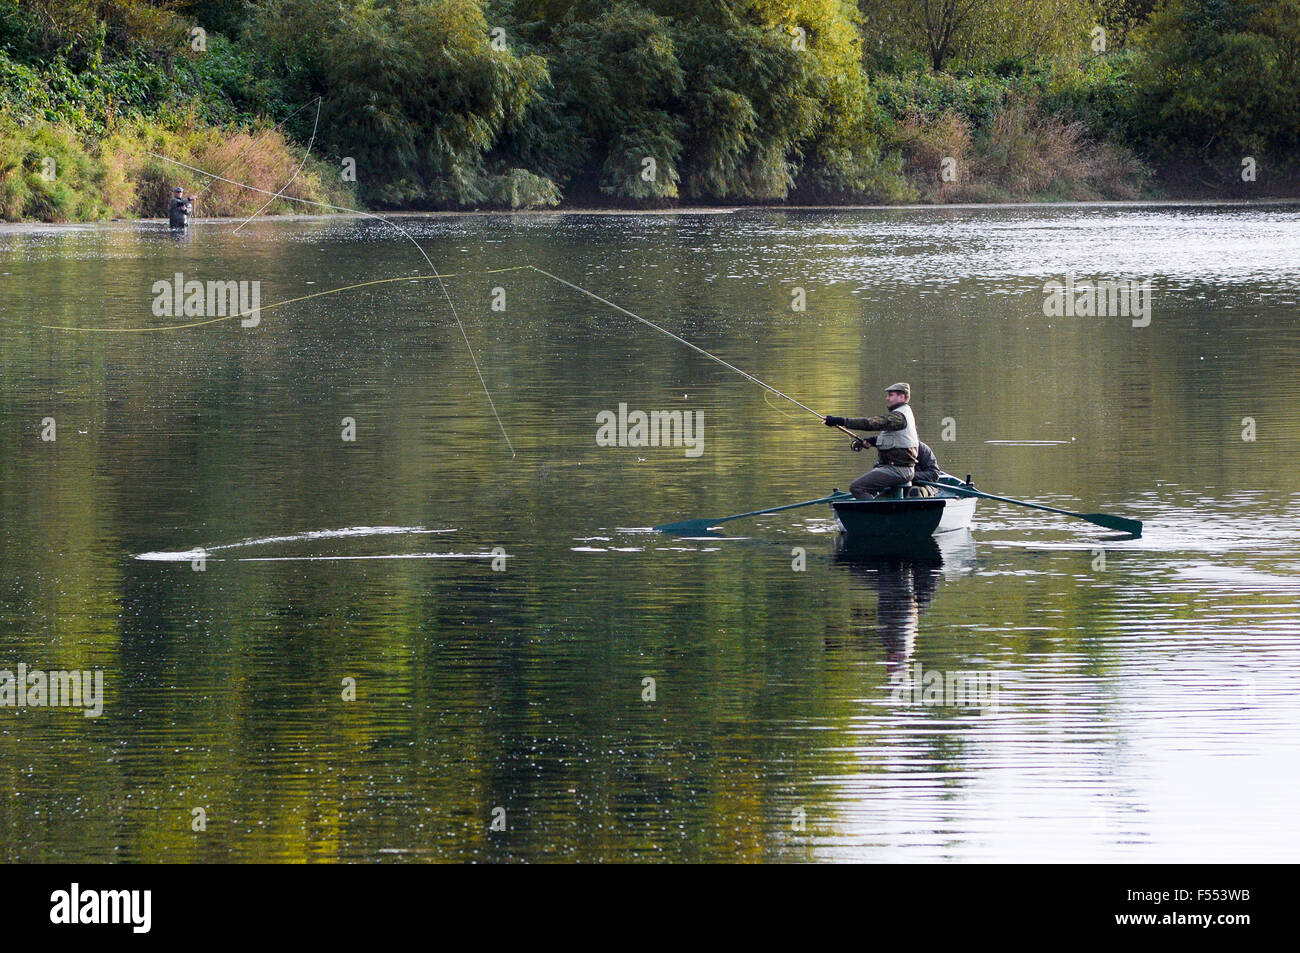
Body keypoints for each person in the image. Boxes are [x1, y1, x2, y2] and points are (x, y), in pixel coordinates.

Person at [825, 382, 920, 499]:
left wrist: (842, 421)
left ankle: (878, 514)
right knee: (867, 487)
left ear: (902, 397)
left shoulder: (899, 417)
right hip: (897, 468)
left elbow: (871, 423)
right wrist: (872, 441)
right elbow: (894, 439)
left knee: (857, 487)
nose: (887, 398)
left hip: (899, 470)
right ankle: (878, 505)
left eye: (891, 395)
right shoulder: (904, 414)